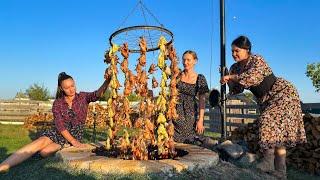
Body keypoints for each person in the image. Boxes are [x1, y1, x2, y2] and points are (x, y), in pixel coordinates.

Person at [220, 35, 306, 178]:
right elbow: (237, 90)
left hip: (282, 93)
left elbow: (251, 78)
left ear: (247, 49)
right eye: (232, 51)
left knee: (267, 119)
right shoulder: (235, 67)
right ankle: (281, 171)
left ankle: (268, 161)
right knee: (278, 136)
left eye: (237, 51)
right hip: (266, 99)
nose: (234, 54)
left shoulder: (257, 60)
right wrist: (227, 79)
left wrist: (231, 77)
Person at [0, 71, 110, 172]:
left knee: (44, 152)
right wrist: (73, 141)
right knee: (40, 142)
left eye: (72, 86)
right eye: (67, 88)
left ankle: (64, 145)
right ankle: (4, 166)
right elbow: (60, 125)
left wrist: (107, 80)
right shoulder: (58, 103)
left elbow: (97, 94)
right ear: (61, 88)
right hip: (59, 131)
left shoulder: (83, 97)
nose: (71, 90)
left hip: (76, 133)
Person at [173, 50, 210, 144]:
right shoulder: (177, 75)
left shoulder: (200, 78)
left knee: (189, 140)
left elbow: (202, 101)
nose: (185, 63)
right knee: (172, 139)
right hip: (175, 111)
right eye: (183, 60)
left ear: (195, 61)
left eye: (188, 60)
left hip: (190, 114)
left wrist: (200, 120)